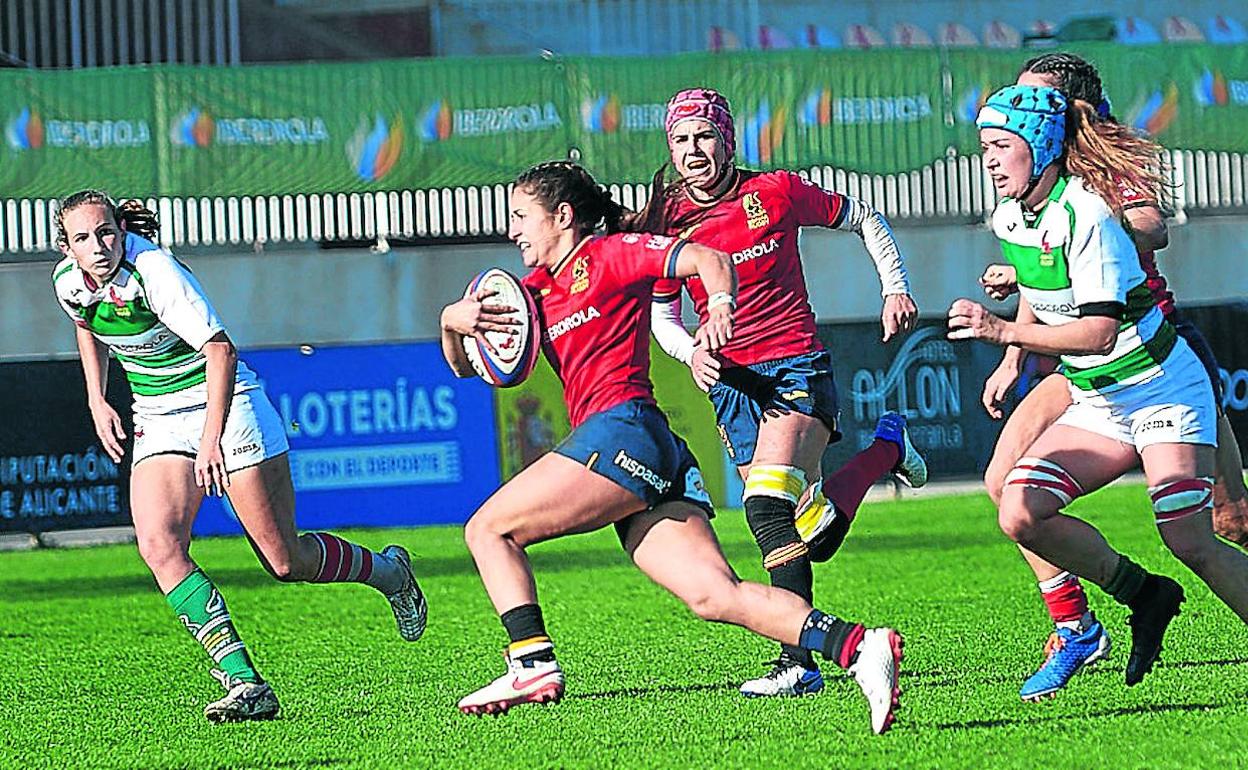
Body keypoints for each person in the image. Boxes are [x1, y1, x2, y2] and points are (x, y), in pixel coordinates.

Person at [439, 161, 903, 734]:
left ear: (562, 216)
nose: (513, 230)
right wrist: (451, 322)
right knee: (715, 595)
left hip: (622, 429)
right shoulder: (532, 292)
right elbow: (479, 370)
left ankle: (531, 663)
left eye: (521, 216)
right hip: (649, 447)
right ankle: (860, 648)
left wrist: (719, 308)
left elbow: (709, 259)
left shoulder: (610, 255)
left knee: (488, 530)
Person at [52, 192, 427, 723]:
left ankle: (390, 573)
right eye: (84, 238)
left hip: (228, 404)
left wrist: (210, 443)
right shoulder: (68, 282)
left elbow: (221, 350)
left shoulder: (153, 270)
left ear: (121, 229)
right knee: (159, 545)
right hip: (157, 416)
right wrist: (96, 397)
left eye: (107, 232)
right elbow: (85, 322)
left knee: (284, 560)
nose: (99, 246)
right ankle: (246, 683)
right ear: (65, 246)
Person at [951, 85, 1248, 697]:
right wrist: (1014, 334)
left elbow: (1100, 330)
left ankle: (1150, 594)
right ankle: (1143, 596)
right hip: (1100, 398)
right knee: (1018, 509)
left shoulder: (1087, 211)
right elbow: (1048, 286)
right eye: (983, 147)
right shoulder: (1011, 216)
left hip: (1161, 388)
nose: (988, 159)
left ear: (1039, 146)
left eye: (1000, 146)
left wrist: (1003, 330)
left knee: (1189, 536)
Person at [637, 88, 927, 697]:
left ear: (728, 141)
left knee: (765, 510)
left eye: (705, 137)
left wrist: (894, 288)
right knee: (810, 535)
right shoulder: (665, 221)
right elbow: (663, 314)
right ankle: (886, 451)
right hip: (731, 385)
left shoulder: (774, 191)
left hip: (795, 366)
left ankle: (798, 665)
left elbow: (864, 218)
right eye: (681, 141)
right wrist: (690, 349)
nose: (694, 151)